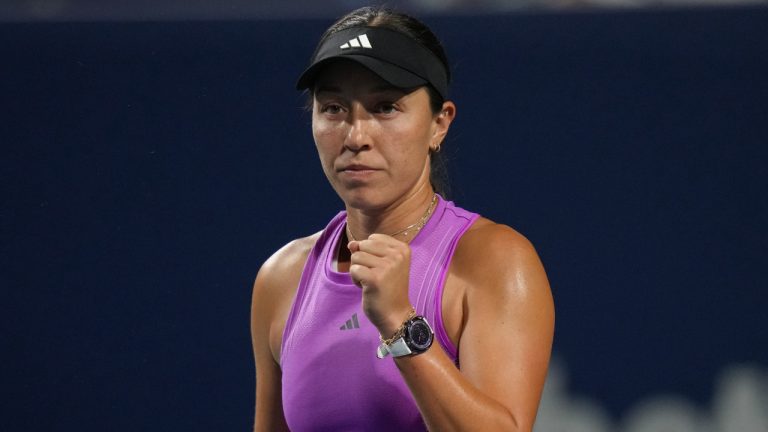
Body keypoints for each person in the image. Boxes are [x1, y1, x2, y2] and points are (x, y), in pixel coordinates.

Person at [251, 6, 554, 431]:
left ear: (439, 124)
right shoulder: (280, 277)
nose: (356, 136)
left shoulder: (497, 260)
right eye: (334, 108)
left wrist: (400, 323)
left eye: (386, 107)